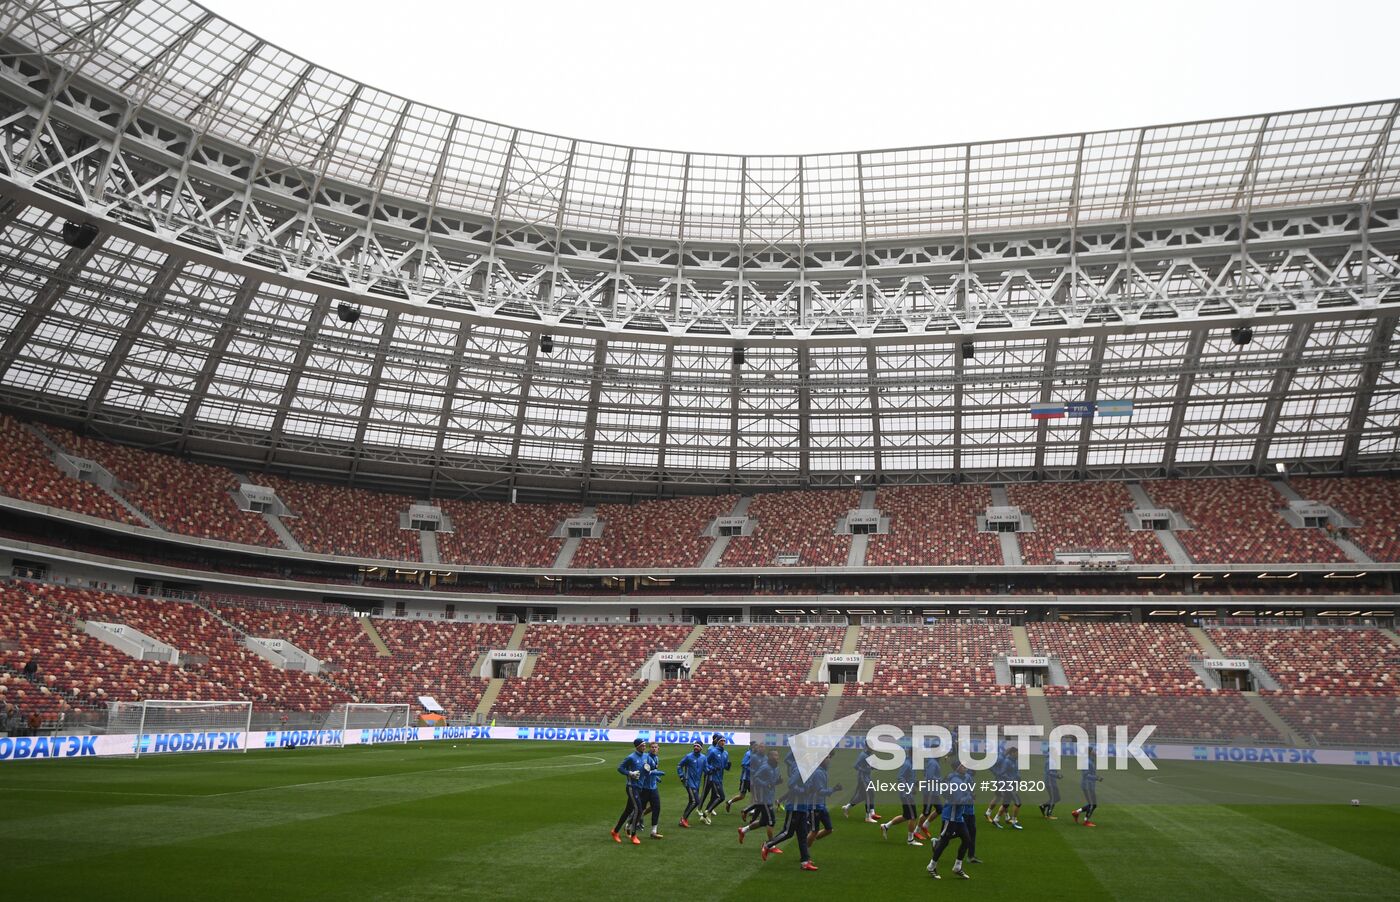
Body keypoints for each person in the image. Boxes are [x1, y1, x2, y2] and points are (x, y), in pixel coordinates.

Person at [761, 757, 818, 871]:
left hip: (802, 807)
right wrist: (803, 791)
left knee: (802, 835)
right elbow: (791, 784)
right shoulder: (800, 769)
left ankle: (805, 862)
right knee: (787, 832)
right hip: (795, 806)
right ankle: (767, 845)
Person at [927, 762, 974, 880]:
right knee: (944, 843)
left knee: (967, 840)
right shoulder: (956, 781)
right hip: (951, 818)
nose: (966, 768)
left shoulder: (957, 778)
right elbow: (957, 800)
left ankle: (957, 867)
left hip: (958, 817)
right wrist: (969, 797)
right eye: (963, 766)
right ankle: (931, 866)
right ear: (958, 768)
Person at [739, 749, 783, 845]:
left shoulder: (776, 768)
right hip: (764, 799)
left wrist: (777, 782)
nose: (777, 757)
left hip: (769, 797)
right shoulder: (765, 767)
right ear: (770, 757)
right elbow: (755, 778)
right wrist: (764, 784)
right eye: (775, 755)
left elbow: (771, 782)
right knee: (771, 821)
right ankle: (770, 845)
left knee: (763, 821)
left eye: (778, 755)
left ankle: (743, 830)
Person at [611, 738, 648, 844]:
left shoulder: (645, 757)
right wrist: (630, 773)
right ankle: (633, 835)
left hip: (639, 787)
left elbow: (647, 769)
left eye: (645, 745)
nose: (644, 747)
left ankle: (615, 831)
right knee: (639, 810)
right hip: (632, 787)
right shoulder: (631, 757)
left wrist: (651, 771)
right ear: (637, 746)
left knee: (628, 811)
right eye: (642, 745)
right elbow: (620, 768)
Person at [880, 756, 923, 846]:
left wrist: (917, 784)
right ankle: (910, 840)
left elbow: (911, 778)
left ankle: (886, 826)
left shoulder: (912, 764)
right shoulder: (907, 764)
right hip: (906, 794)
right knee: (912, 817)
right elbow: (900, 777)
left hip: (908, 794)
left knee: (906, 816)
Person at [805, 759, 842, 846]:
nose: (829, 761)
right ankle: (805, 854)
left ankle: (808, 840)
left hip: (821, 805)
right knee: (814, 830)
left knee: (829, 829)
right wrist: (834, 789)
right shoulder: (818, 773)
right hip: (815, 805)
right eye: (827, 759)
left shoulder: (823, 771)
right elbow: (819, 791)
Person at [637, 741, 665, 839]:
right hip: (645, 788)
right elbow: (645, 772)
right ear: (650, 748)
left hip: (653, 787)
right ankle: (630, 823)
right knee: (640, 809)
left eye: (655, 747)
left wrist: (656, 777)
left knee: (656, 807)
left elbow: (653, 770)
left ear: (658, 749)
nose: (654, 748)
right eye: (652, 747)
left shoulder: (656, 758)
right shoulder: (646, 758)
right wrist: (655, 774)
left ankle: (654, 831)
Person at [841, 750, 879, 822]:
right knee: (867, 796)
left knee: (868, 795)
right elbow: (856, 766)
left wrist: (876, 767)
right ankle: (868, 817)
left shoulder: (871, 755)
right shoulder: (863, 755)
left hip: (867, 778)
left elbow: (873, 766)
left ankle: (848, 807)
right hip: (862, 778)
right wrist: (865, 770)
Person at [991, 747, 1024, 829]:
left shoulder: (1015, 761)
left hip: (1012, 785)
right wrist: (1012, 780)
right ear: (1012, 753)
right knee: (1018, 802)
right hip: (1008, 785)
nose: (1018, 755)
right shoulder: (1007, 761)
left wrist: (1018, 777)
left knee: (1006, 804)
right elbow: (1002, 773)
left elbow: (1015, 772)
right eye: (1017, 753)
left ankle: (995, 820)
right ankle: (1014, 822)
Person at [915, 748, 944, 840]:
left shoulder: (934, 761)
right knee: (926, 812)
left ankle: (925, 825)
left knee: (940, 809)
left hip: (933, 791)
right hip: (929, 792)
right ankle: (916, 831)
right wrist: (940, 780)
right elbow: (929, 778)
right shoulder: (932, 763)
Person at [701, 733, 730, 820]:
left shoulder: (725, 753)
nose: (723, 742)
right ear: (718, 742)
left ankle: (704, 816)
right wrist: (711, 769)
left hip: (720, 778)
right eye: (721, 741)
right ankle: (707, 812)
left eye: (724, 741)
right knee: (721, 797)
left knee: (714, 797)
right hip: (713, 778)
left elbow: (724, 766)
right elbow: (705, 763)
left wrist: (728, 766)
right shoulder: (713, 752)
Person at [677, 741, 706, 828]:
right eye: (695, 746)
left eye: (698, 746)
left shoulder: (704, 758)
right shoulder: (689, 756)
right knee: (695, 801)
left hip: (697, 783)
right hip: (689, 782)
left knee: (691, 801)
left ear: (701, 748)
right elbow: (679, 766)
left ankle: (683, 819)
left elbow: (706, 768)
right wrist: (682, 776)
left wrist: (714, 769)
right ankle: (683, 819)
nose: (696, 747)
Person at [726, 739, 760, 814]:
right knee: (742, 796)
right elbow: (744, 764)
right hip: (746, 778)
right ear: (752, 746)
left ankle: (752, 810)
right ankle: (729, 802)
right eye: (755, 746)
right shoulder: (748, 754)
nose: (757, 748)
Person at [1072, 753, 1102, 827]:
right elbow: (1086, 775)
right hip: (1087, 785)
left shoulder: (1089, 762)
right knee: (1093, 804)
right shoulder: (1087, 762)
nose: (1095, 753)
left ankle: (1077, 812)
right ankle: (1086, 821)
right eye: (1093, 752)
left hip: (1089, 785)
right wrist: (1097, 778)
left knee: (1092, 804)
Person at [1040, 752, 1061, 819]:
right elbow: (1049, 772)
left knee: (1057, 798)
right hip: (1050, 782)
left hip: (1052, 781)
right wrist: (1057, 775)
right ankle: (1049, 814)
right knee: (1054, 798)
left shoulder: (1051, 760)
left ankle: (1043, 806)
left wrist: (1057, 776)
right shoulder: (1050, 761)